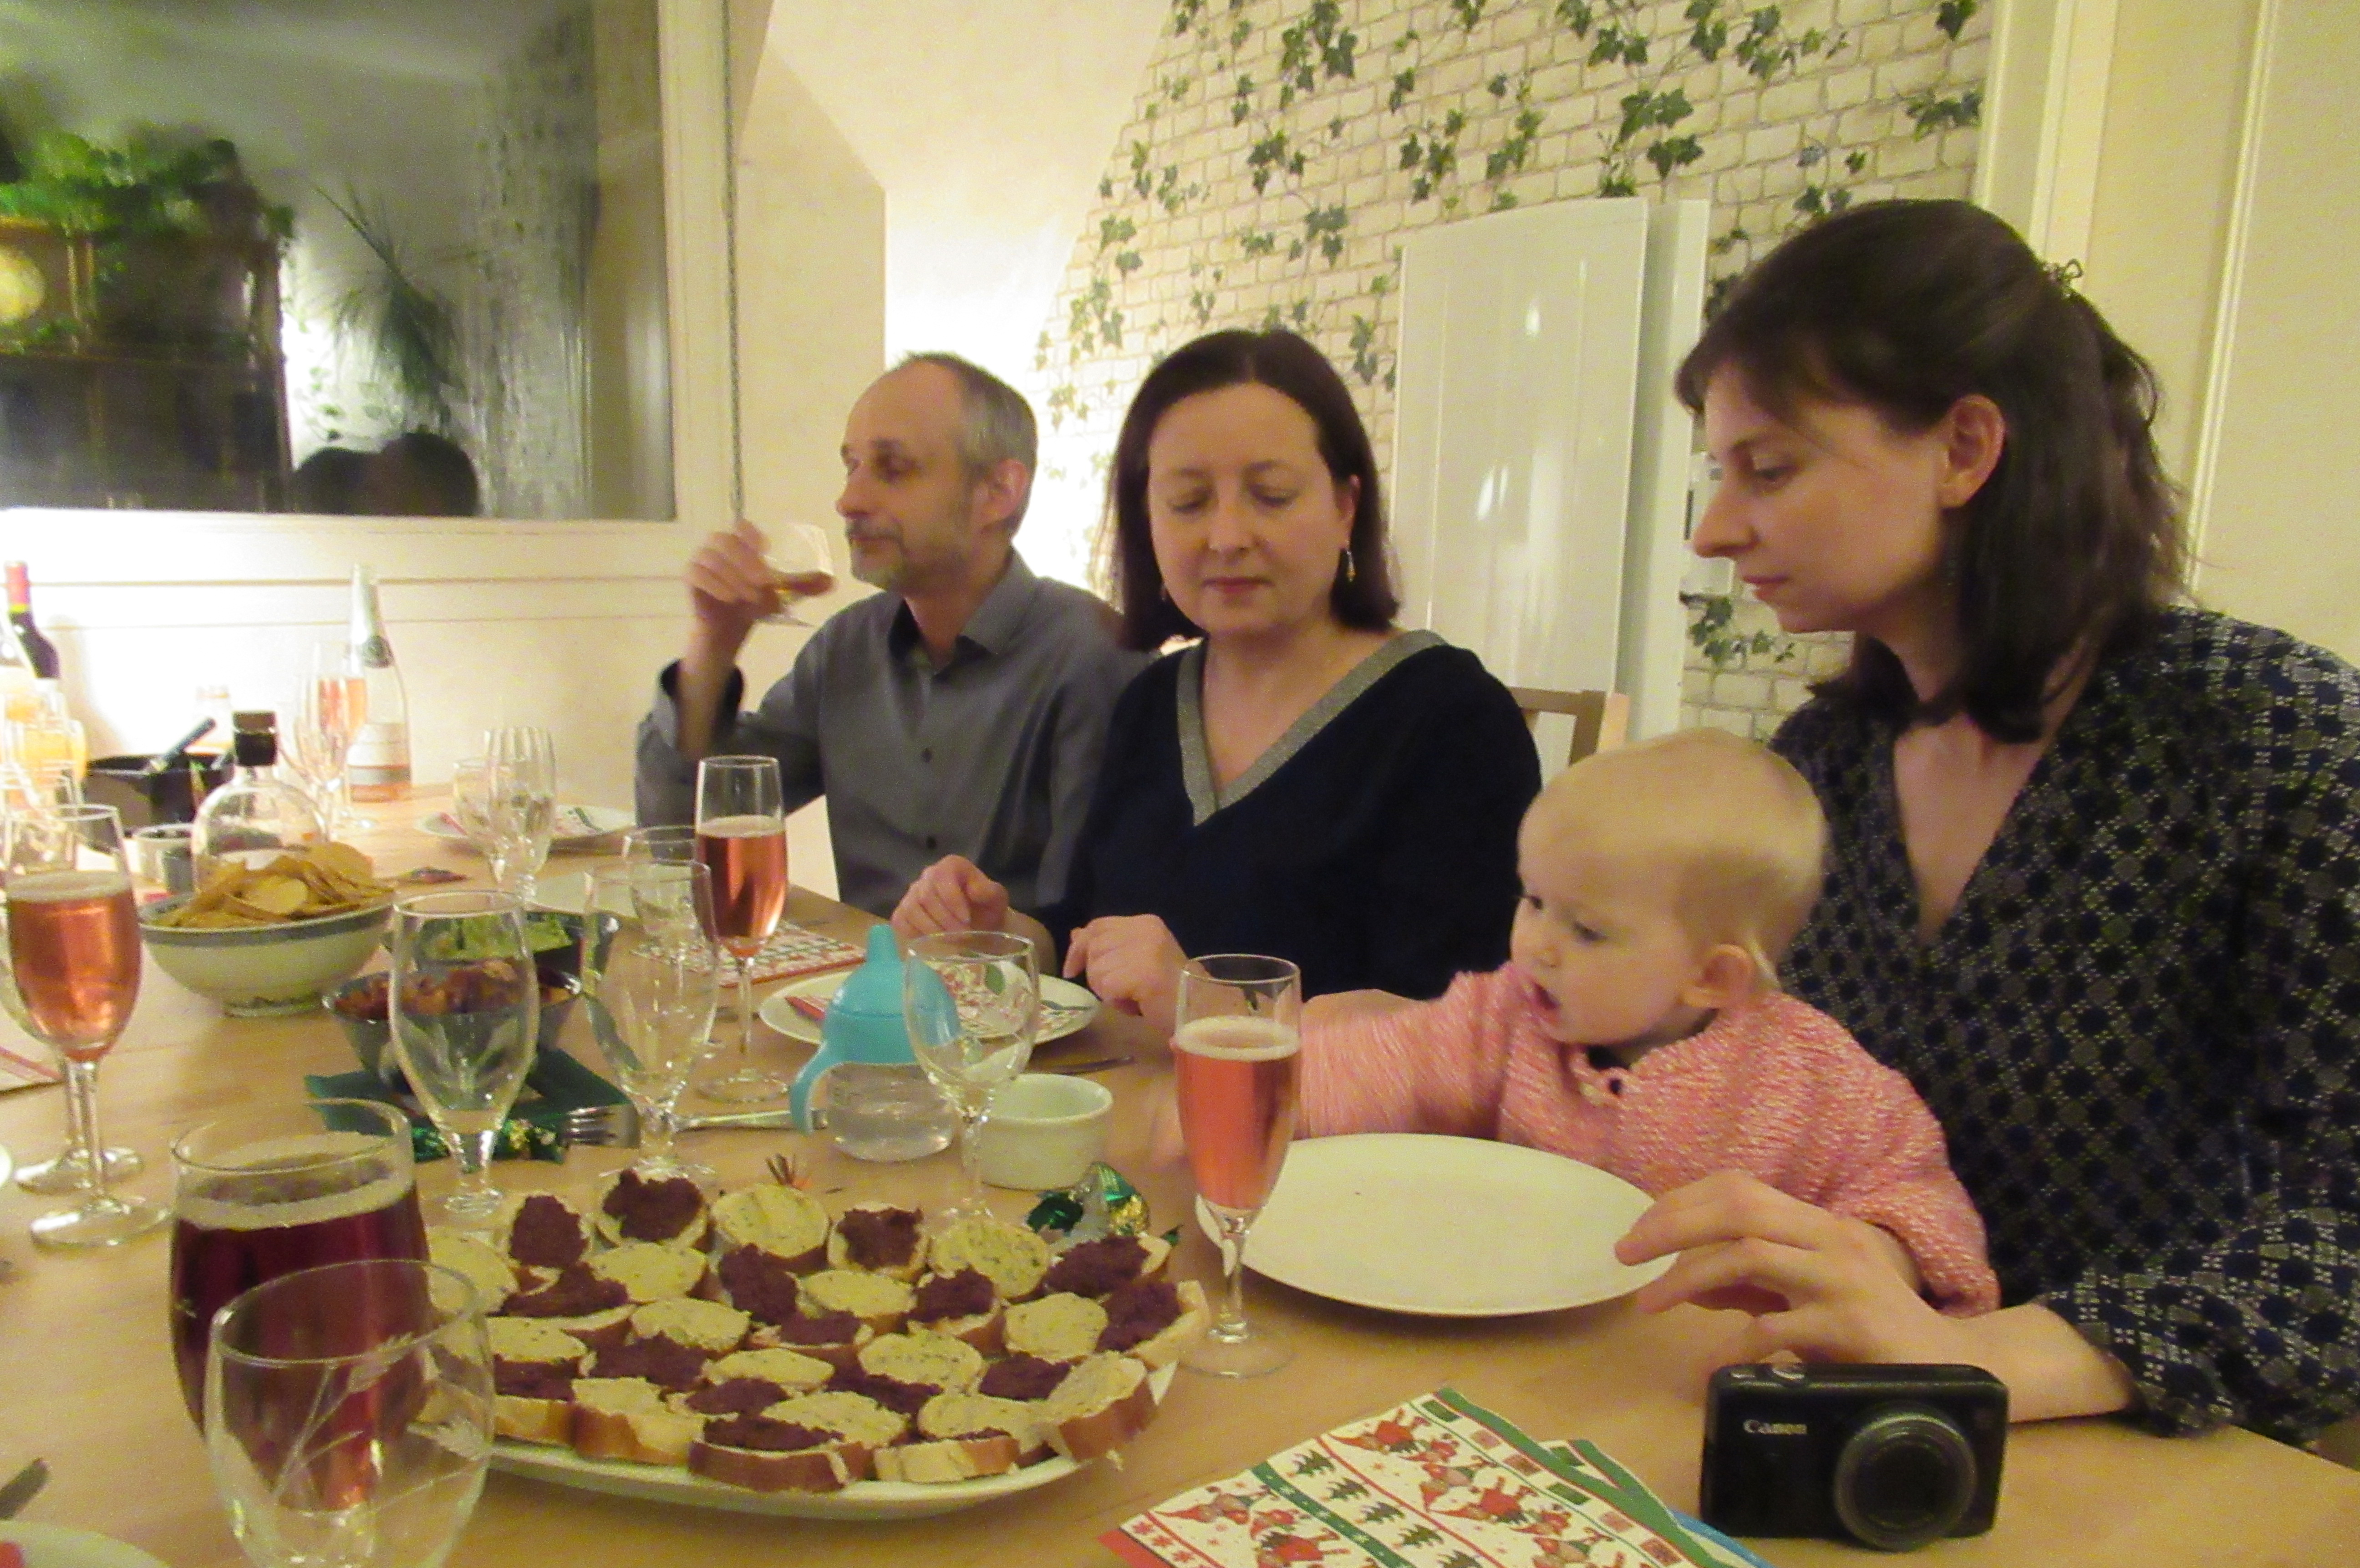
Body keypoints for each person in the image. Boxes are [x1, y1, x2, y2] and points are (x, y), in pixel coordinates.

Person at [1613, 199, 2360, 1443]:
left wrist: (1984, 1358)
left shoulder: (2271, 740)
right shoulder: (1821, 769)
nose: (1714, 529)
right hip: (1846, 1422)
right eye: (1718, 473)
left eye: (1769, 468)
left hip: (2156, 1461)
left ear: (1963, 449)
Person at [892, 329, 1539, 1027]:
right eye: (1189, 501)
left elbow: (1463, 1034)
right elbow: (1090, 926)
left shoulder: (1451, 719)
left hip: (1317, 1108)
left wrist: (1205, 1004)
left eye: (1272, 495)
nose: (1227, 536)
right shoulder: (1151, 699)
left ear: (1345, 508)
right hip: (1128, 1091)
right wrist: (1001, 936)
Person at [1295, 730, 1999, 1315]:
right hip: (1524, 1336)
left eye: (1587, 930)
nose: (1537, 944)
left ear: (1711, 977)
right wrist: (1263, 1087)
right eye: (1534, 900)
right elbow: (1378, 1066)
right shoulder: (1502, 1017)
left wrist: (1885, 1251)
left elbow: (1919, 1198)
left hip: (1703, 1369)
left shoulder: (1813, 1078)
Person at [635, 353, 1141, 918]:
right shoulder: (847, 649)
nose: (848, 501)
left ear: (998, 491)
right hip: (867, 974)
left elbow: (1098, 922)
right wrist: (715, 639)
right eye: (851, 466)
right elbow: (677, 839)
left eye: (893, 468)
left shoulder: (1093, 657)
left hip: (1011, 977)